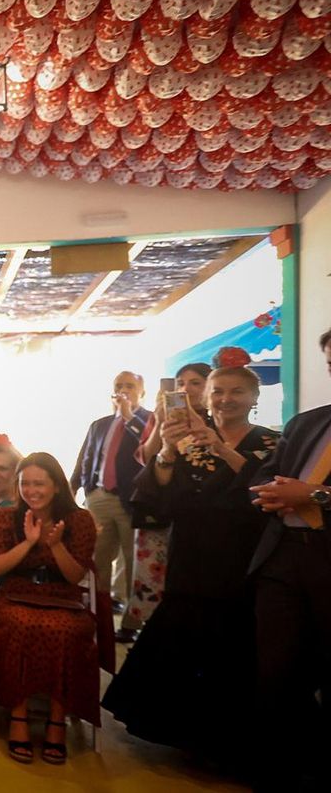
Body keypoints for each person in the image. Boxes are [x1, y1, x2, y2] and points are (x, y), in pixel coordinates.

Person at [102, 365, 275, 773]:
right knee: (186, 636)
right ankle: (184, 737)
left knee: (235, 648)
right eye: (218, 392)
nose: (226, 400)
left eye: (236, 392)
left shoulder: (271, 442)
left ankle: (227, 742)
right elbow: (156, 499)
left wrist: (221, 448)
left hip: (243, 559)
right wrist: (165, 450)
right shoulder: (189, 443)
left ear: (254, 398)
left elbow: (265, 490)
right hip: (192, 556)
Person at [243, 328, 331, 793]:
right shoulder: (306, 423)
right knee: (276, 674)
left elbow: (309, 492)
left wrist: (314, 495)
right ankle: (277, 771)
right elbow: (262, 477)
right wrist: (270, 493)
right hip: (282, 559)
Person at [0, 451, 98, 765]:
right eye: (26, 483)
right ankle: (18, 716)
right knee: (19, 624)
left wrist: (55, 544)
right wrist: (29, 542)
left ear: (57, 486)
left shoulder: (80, 520)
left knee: (65, 631)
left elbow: (75, 575)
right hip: (17, 593)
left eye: (39, 484)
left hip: (64, 596)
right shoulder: (7, 517)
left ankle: (57, 720)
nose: (31, 491)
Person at [125, 362, 212, 636]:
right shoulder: (163, 418)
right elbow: (145, 458)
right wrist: (161, 423)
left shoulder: (216, 421)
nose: (186, 389)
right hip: (158, 508)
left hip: (199, 512)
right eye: (181, 383)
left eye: (195, 383)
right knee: (153, 578)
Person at [70, 371, 153, 618]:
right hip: (99, 497)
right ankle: (98, 614)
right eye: (119, 386)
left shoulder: (151, 419)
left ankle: (131, 622)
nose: (123, 390)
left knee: (132, 561)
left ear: (142, 392)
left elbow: (150, 448)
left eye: (130, 386)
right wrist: (78, 487)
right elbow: (85, 458)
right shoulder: (99, 424)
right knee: (97, 559)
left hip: (132, 499)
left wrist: (128, 416)